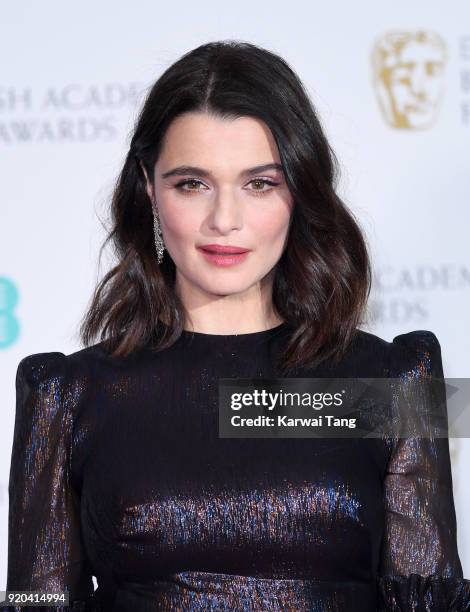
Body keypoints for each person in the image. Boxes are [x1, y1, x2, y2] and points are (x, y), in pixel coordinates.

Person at [3, 40, 469, 611]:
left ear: (300, 190)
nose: (224, 220)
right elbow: (36, 602)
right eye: (191, 184)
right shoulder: (69, 396)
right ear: (150, 189)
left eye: (259, 184)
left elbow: (431, 599)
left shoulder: (390, 385)